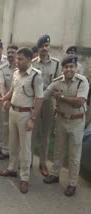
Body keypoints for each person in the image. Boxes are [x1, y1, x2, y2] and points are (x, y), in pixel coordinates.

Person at [0, 47, 43, 194]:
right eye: (17, 58)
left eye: (20, 59)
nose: (17, 61)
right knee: (13, 144)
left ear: (29, 60)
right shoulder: (16, 73)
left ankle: (24, 178)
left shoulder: (36, 76)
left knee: (25, 148)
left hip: (25, 116)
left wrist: (32, 119)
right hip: (13, 112)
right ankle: (11, 168)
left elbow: (39, 99)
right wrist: (4, 98)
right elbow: (12, 90)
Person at [43, 55, 89, 197]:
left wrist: (61, 97)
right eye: (66, 67)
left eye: (71, 67)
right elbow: (44, 95)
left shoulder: (83, 82)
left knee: (74, 154)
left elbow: (80, 102)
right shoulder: (57, 82)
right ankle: (55, 174)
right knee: (58, 149)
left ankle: (72, 183)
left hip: (76, 122)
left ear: (75, 68)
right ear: (62, 68)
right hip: (61, 120)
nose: (69, 69)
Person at [32, 34, 61, 177]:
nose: (45, 49)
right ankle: (29, 161)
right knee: (32, 132)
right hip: (35, 103)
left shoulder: (56, 64)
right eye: (42, 46)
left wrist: (46, 97)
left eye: (47, 46)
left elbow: (57, 85)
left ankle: (43, 163)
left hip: (49, 103)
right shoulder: (32, 63)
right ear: (38, 48)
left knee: (46, 134)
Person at [0, 44, 18, 160]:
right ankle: (5, 150)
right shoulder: (2, 68)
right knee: (5, 126)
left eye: (12, 52)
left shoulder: (22, 68)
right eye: (8, 52)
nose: (10, 55)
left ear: (17, 53)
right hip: (6, 101)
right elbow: (1, 85)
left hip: (19, 103)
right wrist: (4, 99)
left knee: (17, 129)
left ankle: (15, 152)